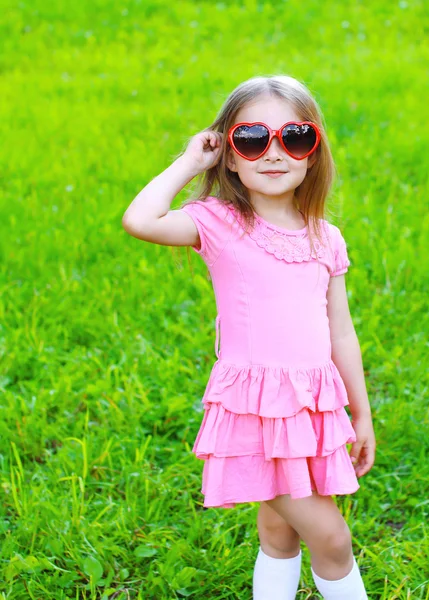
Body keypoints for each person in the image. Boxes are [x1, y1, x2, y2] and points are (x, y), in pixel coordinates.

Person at [122, 74, 376, 600]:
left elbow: (341, 330)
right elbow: (140, 219)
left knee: (280, 532)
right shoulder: (218, 222)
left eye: (295, 137)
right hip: (255, 413)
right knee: (333, 538)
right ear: (230, 156)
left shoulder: (325, 237)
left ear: (313, 152)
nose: (275, 152)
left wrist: (361, 409)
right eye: (253, 139)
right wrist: (192, 161)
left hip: (310, 407)